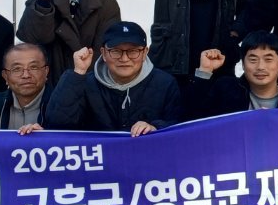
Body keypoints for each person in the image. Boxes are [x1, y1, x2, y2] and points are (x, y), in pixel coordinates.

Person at [45, 20, 181, 136]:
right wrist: (78, 72)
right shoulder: (85, 83)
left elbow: (181, 127)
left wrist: (155, 127)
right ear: (103, 53)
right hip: (100, 163)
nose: (124, 59)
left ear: (145, 52)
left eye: (133, 51)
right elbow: (57, 125)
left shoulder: (165, 83)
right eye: (116, 51)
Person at [185, 33, 278, 117]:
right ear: (243, 63)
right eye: (253, 59)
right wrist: (205, 71)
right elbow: (192, 116)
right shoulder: (225, 90)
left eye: (268, 59)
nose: (260, 67)